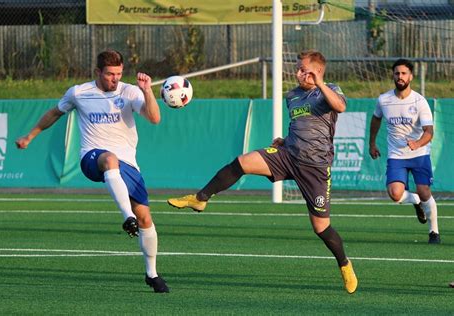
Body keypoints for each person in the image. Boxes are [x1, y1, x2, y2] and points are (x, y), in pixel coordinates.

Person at [168, 50, 358, 294]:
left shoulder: (330, 89)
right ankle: (200, 199)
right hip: (288, 155)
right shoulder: (293, 96)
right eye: (298, 68)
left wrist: (320, 83)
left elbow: (340, 107)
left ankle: (344, 264)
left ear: (317, 72)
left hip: (316, 167)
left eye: (303, 69)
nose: (297, 72)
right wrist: (285, 140)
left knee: (321, 228)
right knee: (242, 162)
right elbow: (302, 125)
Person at [16, 49, 169, 293]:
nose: (115, 79)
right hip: (93, 157)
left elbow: (155, 118)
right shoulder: (79, 92)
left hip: (128, 164)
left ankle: (152, 274)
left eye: (119, 73)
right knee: (110, 160)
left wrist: (147, 91)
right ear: (98, 72)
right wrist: (30, 136)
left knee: (146, 219)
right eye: (110, 74)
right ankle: (126, 217)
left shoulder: (129, 91)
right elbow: (54, 113)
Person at [369, 58, 440, 244]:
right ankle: (416, 201)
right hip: (396, 155)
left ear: (411, 76)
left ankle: (434, 232)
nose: (400, 77)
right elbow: (376, 119)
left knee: (425, 192)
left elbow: (429, 131)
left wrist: (417, 143)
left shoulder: (419, 101)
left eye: (403, 73)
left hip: (419, 154)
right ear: (393, 76)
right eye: (397, 73)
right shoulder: (384, 100)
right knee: (395, 194)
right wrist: (372, 143)